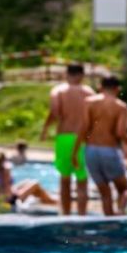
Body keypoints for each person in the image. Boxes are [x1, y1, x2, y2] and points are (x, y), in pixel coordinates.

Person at [40, 64, 95, 215]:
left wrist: (45, 129)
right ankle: (82, 216)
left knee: (65, 179)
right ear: (82, 75)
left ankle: (66, 215)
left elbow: (55, 111)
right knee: (82, 180)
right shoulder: (89, 92)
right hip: (83, 139)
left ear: (67, 73)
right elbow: (94, 116)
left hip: (64, 136)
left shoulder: (58, 91)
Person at [73, 76, 127, 216]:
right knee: (125, 190)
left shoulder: (89, 102)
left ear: (100, 87)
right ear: (117, 89)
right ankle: (120, 217)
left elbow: (83, 129)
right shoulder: (120, 106)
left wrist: (75, 152)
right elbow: (120, 132)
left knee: (105, 194)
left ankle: (108, 225)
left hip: (90, 151)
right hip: (109, 150)